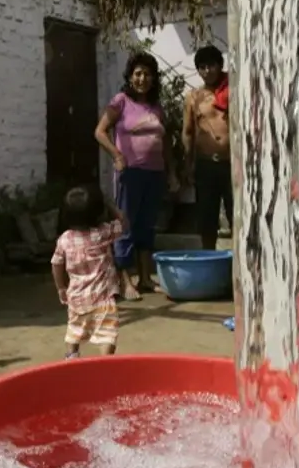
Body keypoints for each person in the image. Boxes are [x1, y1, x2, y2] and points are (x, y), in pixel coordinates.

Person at [94, 51, 177, 300]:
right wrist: (117, 155)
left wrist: (172, 172)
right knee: (125, 225)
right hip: (129, 173)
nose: (142, 79)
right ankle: (125, 281)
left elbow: (166, 143)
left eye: (147, 74)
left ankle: (145, 278)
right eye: (138, 74)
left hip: (154, 173)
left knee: (146, 226)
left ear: (153, 78)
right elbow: (99, 132)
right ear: (130, 77)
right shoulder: (120, 101)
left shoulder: (156, 107)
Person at [51, 183, 127, 359]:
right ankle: (105, 364)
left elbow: (56, 264)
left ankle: (71, 357)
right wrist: (110, 205)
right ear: (98, 212)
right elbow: (124, 222)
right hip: (103, 298)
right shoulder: (102, 233)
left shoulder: (64, 239)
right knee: (106, 334)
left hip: (76, 298)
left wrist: (61, 288)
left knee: (74, 330)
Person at [183, 44, 232, 250]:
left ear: (220, 65)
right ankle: (209, 257)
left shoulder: (233, 90)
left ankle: (240, 262)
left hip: (232, 164)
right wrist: (188, 165)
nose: (207, 71)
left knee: (237, 214)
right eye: (202, 67)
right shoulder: (193, 97)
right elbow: (188, 132)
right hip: (206, 164)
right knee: (207, 218)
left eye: (211, 66)